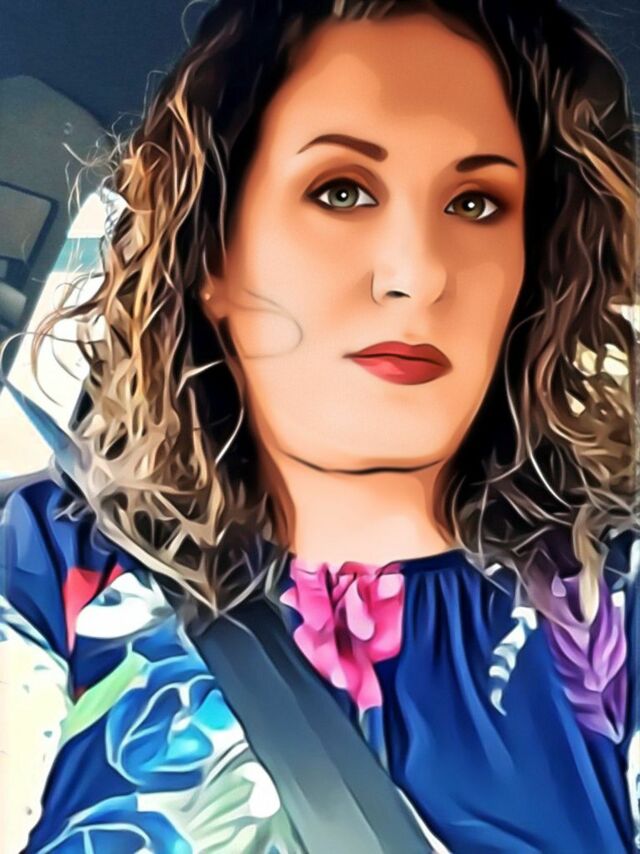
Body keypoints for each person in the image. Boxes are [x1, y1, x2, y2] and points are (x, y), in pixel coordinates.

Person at [1, 0, 638, 851]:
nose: (417, 274)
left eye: (477, 203)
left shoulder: (612, 609)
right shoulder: (43, 567)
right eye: (341, 191)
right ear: (212, 253)